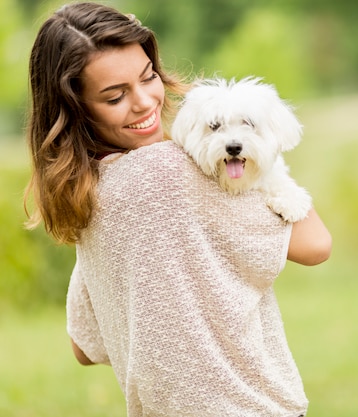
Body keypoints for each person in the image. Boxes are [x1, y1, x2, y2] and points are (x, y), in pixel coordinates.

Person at [25, 3, 332, 416]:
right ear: (76, 108)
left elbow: (83, 345)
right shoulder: (169, 170)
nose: (144, 102)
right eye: (115, 96)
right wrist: (271, 163)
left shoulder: (87, 196)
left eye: (148, 76)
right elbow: (315, 244)